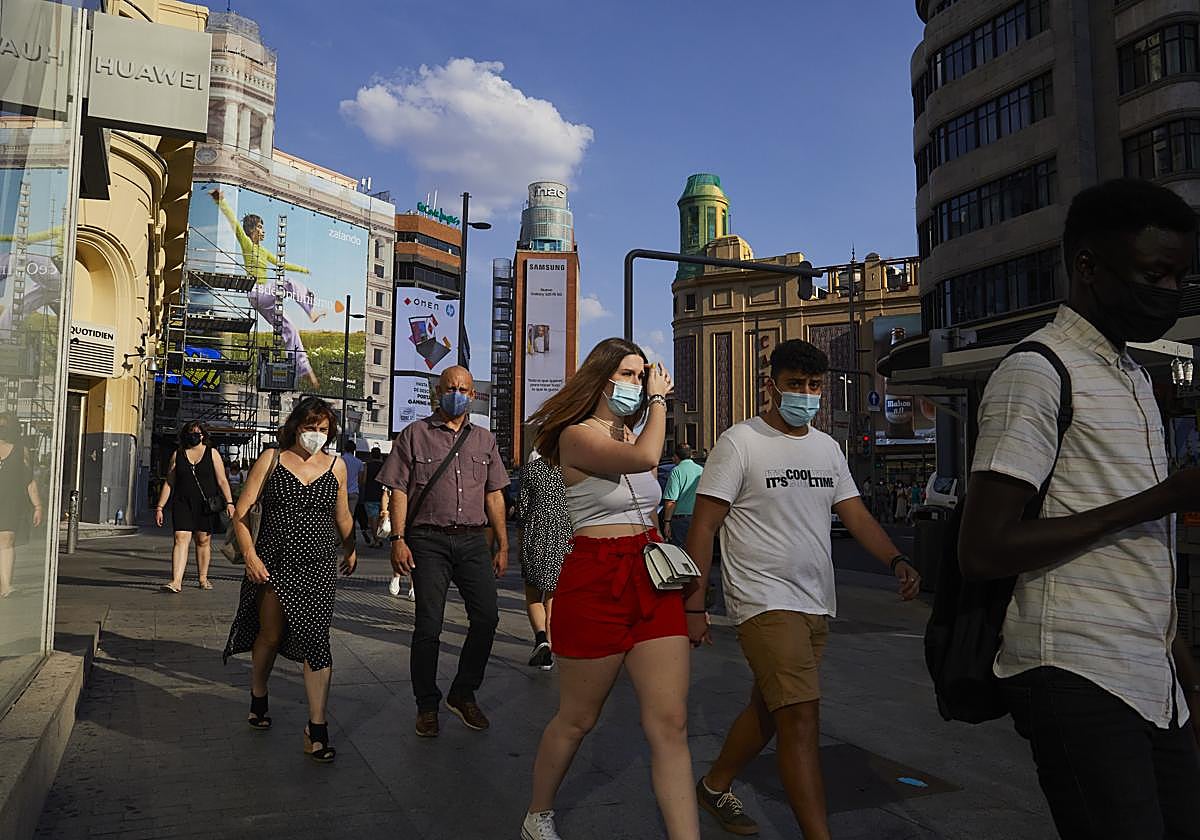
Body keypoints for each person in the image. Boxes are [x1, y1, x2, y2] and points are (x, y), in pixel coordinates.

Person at [958, 179, 1200, 838]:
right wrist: (1165, 497)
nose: (1172, 289)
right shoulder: (1037, 370)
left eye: (1181, 274)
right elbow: (983, 548)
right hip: (1073, 670)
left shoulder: (1136, 378)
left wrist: (1184, 678)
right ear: (1089, 268)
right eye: (1157, 273)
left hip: (1152, 676)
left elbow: (1140, 555)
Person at [684, 339, 920, 838]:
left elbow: (854, 513)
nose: (806, 395)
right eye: (795, 385)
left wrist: (896, 559)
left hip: (816, 602)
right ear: (771, 387)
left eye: (814, 386)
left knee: (770, 710)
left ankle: (713, 785)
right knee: (801, 721)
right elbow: (703, 526)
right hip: (763, 601)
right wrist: (695, 603)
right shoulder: (739, 442)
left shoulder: (827, 448)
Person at [522, 338, 699, 840]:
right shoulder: (577, 437)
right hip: (595, 577)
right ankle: (538, 814)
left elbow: (643, 462)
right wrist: (662, 402)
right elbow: (646, 459)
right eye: (628, 374)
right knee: (577, 719)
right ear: (601, 379)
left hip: (648, 573)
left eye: (642, 376)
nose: (639, 385)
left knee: (670, 724)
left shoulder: (628, 432)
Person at [223, 397, 357, 762]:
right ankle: (259, 692)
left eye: (324, 430)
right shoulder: (272, 459)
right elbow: (243, 511)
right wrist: (250, 556)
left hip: (317, 566)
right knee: (270, 634)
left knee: (317, 642)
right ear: (296, 425)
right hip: (273, 563)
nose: (317, 435)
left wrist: (352, 547)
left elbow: (342, 515)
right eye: (311, 427)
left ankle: (316, 729)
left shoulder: (337, 466)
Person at [379, 366, 509, 737]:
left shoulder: (484, 440)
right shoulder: (415, 435)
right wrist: (398, 538)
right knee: (429, 626)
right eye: (451, 387)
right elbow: (398, 489)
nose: (458, 393)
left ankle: (463, 692)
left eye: (465, 388)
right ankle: (427, 704)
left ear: (473, 395)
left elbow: (494, 493)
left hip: (472, 540)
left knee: (487, 618)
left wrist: (502, 542)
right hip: (427, 540)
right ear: (438, 392)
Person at [209, 188, 325, 389]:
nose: (263, 231)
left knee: (288, 329)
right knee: (288, 283)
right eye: (261, 227)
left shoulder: (264, 251)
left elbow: (282, 264)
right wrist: (221, 201)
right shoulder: (247, 244)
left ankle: (305, 370)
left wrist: (303, 269)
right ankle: (311, 312)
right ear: (253, 230)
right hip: (257, 291)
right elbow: (234, 224)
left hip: (263, 299)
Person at [154, 421, 236, 592]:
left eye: (198, 433)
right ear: (185, 435)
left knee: (203, 540)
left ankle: (202, 577)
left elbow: (222, 480)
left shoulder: (212, 454)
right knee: (180, 538)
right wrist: (160, 507)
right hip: (182, 502)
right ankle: (176, 581)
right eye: (191, 432)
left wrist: (229, 502)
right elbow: (169, 482)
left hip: (205, 504)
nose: (194, 435)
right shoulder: (178, 455)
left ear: (203, 435)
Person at [517, 450, 572, 671]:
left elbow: (522, 510)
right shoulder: (571, 471)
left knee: (532, 592)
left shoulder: (530, 470)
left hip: (535, 533)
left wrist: (520, 544)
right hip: (564, 535)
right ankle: (550, 644)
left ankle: (541, 639)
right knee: (553, 595)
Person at [0, 413, 41, 598]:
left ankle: (6, 586)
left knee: (6, 540)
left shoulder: (20, 451)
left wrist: (38, 506)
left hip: (9, 503)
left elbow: (29, 481)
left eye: (5, 426)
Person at [662, 444, 704, 550]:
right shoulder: (701, 470)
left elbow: (671, 500)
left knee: (679, 554)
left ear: (676, 456)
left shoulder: (676, 471)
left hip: (680, 521)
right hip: (698, 517)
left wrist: (667, 522)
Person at [362, 447, 385, 547]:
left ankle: (376, 539)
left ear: (371, 455)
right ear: (380, 455)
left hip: (370, 494)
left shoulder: (367, 465)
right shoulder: (384, 466)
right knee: (380, 518)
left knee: (372, 519)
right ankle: (377, 538)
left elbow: (363, 480)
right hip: (382, 494)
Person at [340, 439, 365, 532]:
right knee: (350, 516)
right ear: (354, 450)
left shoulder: (340, 460)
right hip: (354, 492)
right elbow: (361, 480)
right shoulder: (359, 462)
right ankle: (348, 535)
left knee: (340, 515)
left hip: (341, 492)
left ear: (345, 448)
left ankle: (338, 537)